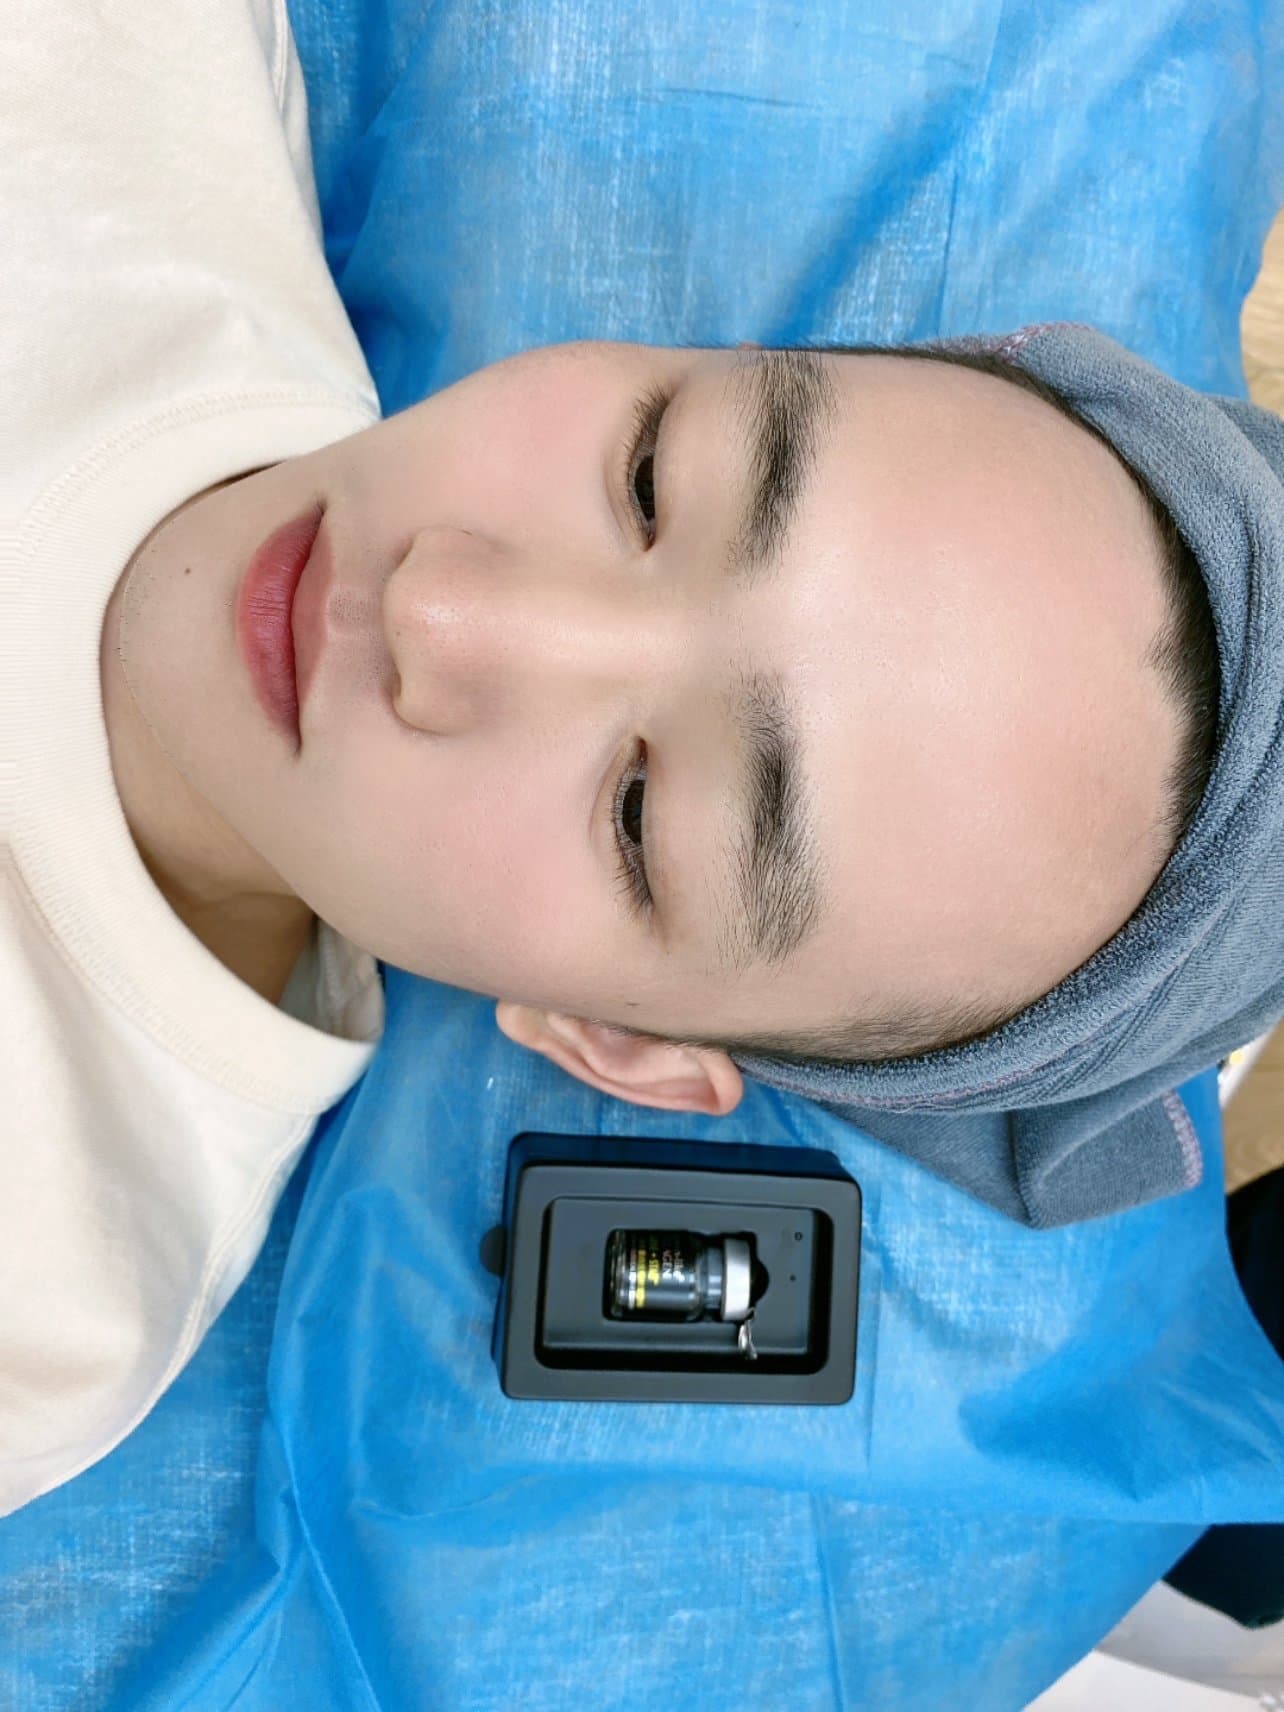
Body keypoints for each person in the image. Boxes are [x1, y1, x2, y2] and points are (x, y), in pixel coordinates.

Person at [0, 0, 1247, 1523]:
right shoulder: (127, 60)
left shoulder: (46, 1319)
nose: (439, 608)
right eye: (655, 477)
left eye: (645, 814)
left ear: (618, 1043)